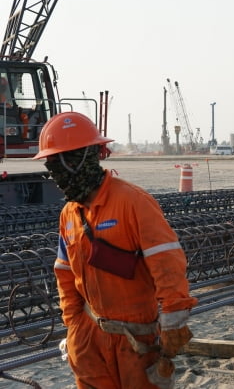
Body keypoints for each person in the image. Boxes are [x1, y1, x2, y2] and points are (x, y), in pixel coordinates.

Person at [33, 112, 197, 389]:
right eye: (52, 164)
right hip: (89, 334)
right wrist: (74, 328)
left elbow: (166, 262)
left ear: (89, 157)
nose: (57, 173)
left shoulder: (133, 202)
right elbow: (64, 273)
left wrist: (174, 318)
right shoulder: (69, 214)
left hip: (135, 337)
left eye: (64, 162)